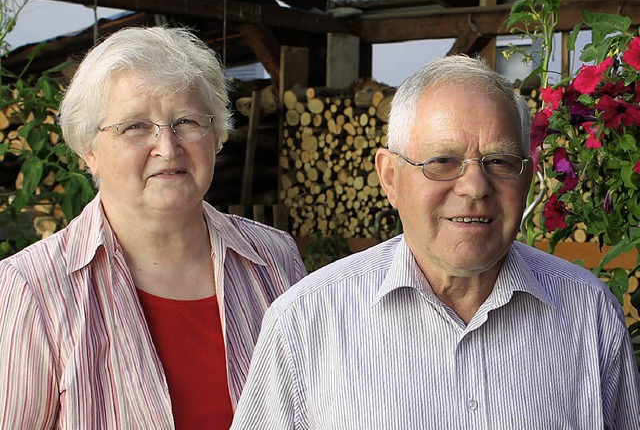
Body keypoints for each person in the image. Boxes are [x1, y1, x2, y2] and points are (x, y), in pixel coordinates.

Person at [231, 55, 640, 429]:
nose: (475, 187)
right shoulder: (305, 322)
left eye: (499, 161)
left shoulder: (589, 312)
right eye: (442, 161)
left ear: (528, 177)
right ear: (390, 177)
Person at [0, 26, 306, 429]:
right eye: (135, 126)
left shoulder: (274, 259)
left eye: (187, 121)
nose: (168, 147)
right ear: (89, 150)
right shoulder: (34, 286)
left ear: (216, 136)